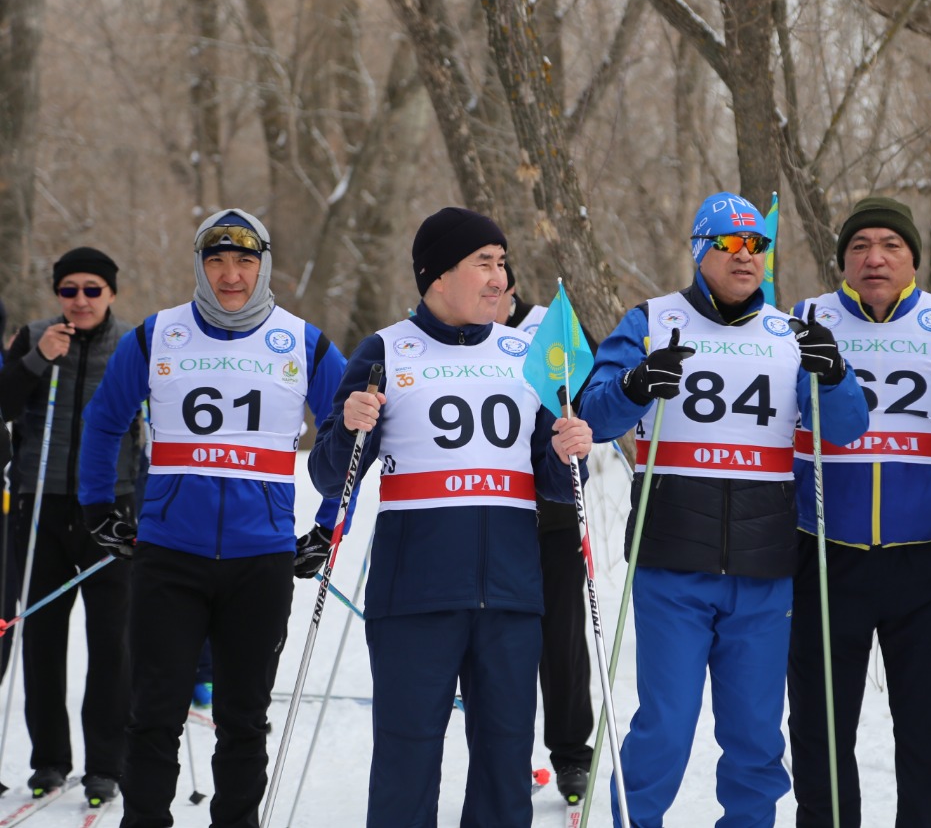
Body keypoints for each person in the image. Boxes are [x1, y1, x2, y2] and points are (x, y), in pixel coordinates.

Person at [576, 192, 869, 827]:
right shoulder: (651, 321)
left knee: (756, 737)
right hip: (672, 560)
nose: (746, 257)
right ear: (700, 251)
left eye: (757, 245)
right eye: (730, 244)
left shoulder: (791, 333)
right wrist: (633, 385)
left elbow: (845, 429)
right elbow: (591, 413)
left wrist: (837, 372)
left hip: (764, 568)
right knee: (666, 726)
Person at [309, 207, 592, 828]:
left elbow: (558, 482)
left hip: (512, 596)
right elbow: (331, 476)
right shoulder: (385, 350)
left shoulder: (528, 353)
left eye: (501, 263)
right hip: (416, 597)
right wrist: (350, 425)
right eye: (483, 264)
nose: (499, 278)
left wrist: (572, 449)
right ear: (437, 276)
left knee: (504, 768)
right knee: (406, 767)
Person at [78, 208, 350, 827]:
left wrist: (330, 526)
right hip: (170, 556)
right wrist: (99, 507)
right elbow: (103, 423)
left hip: (261, 560)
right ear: (201, 266)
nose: (231, 276)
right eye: (217, 261)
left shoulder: (303, 341)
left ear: (264, 265)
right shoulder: (157, 335)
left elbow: (348, 442)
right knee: (154, 715)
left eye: (244, 262)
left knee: (243, 720)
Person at [785, 197, 931, 827]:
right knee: (820, 732)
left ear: (913, 257)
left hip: (926, 565)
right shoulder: (804, 319)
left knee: (929, 733)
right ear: (843, 261)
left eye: (890, 245)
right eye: (860, 246)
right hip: (827, 557)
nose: (874, 258)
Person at [0, 248, 137, 804]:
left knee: (113, 645)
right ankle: (49, 761)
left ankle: (105, 763)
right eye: (69, 290)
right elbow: (3, 405)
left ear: (110, 294)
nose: (79, 300)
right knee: (43, 640)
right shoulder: (33, 336)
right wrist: (36, 360)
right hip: (41, 506)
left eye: (92, 290)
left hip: (111, 508)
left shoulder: (133, 344)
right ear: (57, 294)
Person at [497, 265, 597, 803]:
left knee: (561, 642)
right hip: (492, 518)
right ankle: (507, 757)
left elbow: (589, 372)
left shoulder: (545, 326)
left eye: (500, 285)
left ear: (512, 289)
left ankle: (571, 756)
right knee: (501, 647)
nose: (491, 294)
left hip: (552, 513)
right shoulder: (462, 335)